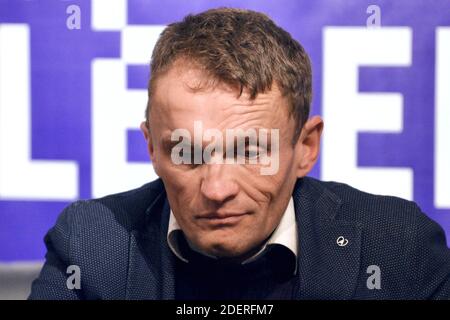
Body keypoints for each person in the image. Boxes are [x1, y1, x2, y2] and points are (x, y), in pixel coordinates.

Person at [29, 8, 450, 300]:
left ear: (305, 148)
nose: (216, 189)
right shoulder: (90, 245)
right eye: (187, 152)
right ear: (152, 148)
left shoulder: (395, 247)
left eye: (250, 151)